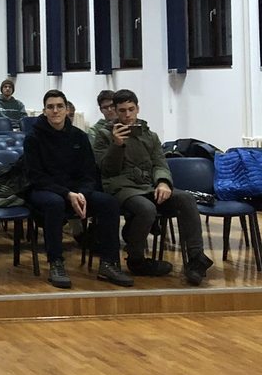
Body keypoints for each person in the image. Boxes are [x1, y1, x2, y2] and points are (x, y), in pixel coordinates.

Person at [93, 89, 213, 284]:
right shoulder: (104, 135)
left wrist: (163, 182)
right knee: (146, 208)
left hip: (148, 184)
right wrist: (117, 145)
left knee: (186, 198)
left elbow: (160, 163)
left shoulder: (150, 135)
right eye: (122, 110)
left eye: (131, 109)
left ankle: (195, 259)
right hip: (121, 187)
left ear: (137, 108)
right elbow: (107, 169)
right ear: (115, 111)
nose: (127, 115)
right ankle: (136, 259)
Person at [24, 89, 133, 289]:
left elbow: (89, 173)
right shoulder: (33, 138)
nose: (55, 111)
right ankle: (56, 263)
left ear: (67, 110)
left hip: (76, 190)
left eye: (59, 106)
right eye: (50, 107)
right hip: (45, 190)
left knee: (108, 203)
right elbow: (36, 177)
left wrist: (82, 193)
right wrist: (67, 194)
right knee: (55, 203)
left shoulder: (79, 137)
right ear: (44, 111)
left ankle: (109, 263)